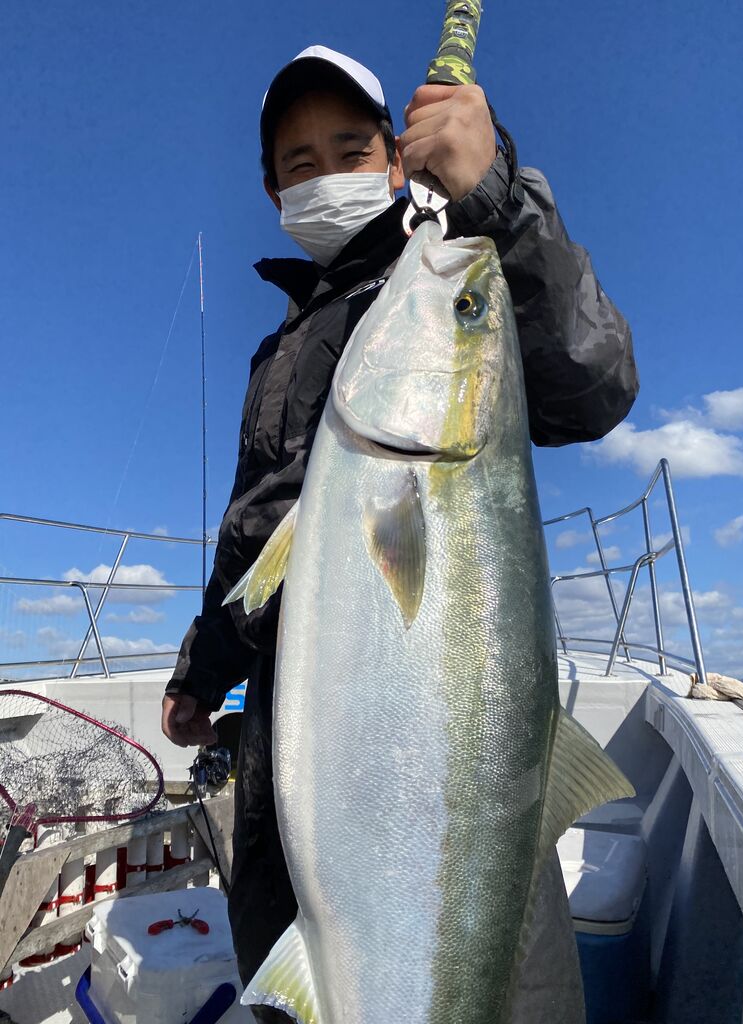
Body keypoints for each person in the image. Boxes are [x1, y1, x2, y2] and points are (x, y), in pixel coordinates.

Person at [162, 44, 639, 1023]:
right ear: (270, 189)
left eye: (349, 146)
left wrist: (496, 196)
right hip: (293, 769)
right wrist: (198, 675)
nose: (324, 172)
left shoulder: (435, 269)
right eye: (300, 162)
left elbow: (594, 379)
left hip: (455, 788)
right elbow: (252, 543)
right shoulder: (282, 350)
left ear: (395, 159)